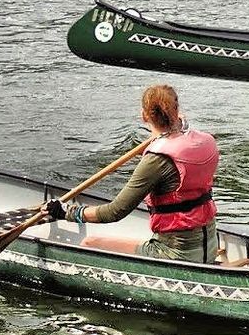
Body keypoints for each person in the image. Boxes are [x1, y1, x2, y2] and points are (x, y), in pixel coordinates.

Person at [46, 85, 220, 263]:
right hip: (211, 247)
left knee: (90, 243)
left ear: (144, 116)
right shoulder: (205, 141)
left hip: (176, 255)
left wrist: (65, 212)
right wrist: (177, 123)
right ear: (176, 110)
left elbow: (114, 212)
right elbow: (182, 130)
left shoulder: (157, 159)